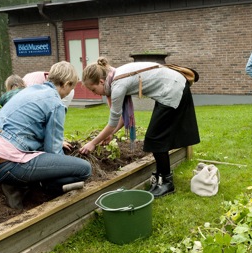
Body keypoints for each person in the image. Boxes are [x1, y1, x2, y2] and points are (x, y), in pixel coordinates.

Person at [79, 57, 200, 198]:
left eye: (94, 89)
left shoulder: (117, 85)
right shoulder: (113, 74)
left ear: (101, 81)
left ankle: (167, 183)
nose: (96, 94)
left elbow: (113, 122)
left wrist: (93, 143)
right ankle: (161, 178)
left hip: (172, 89)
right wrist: (108, 134)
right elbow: (123, 121)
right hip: (171, 86)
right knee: (156, 138)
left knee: (154, 139)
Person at [0, 61, 92, 209]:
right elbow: (53, 152)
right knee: (84, 169)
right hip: (6, 164)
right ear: (66, 84)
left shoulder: (30, 91)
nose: (70, 92)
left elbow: (25, 128)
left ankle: (17, 184)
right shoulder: (55, 103)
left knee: (42, 160)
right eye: (72, 87)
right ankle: (43, 188)